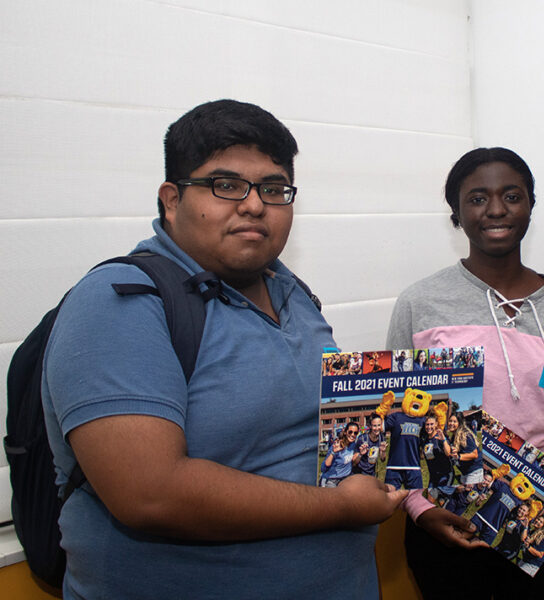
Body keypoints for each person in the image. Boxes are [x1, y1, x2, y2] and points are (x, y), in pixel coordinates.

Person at [41, 99, 407, 599]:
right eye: (226, 185)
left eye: (274, 188)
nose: (254, 204)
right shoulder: (119, 302)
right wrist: (342, 508)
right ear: (172, 199)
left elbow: (321, 436)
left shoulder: (294, 292)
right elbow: (150, 494)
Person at [387, 147, 544, 598]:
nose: (496, 209)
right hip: (443, 524)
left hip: (535, 520)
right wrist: (420, 509)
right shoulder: (420, 303)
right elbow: (397, 419)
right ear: (456, 214)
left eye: (511, 196)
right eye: (477, 198)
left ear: (531, 205)